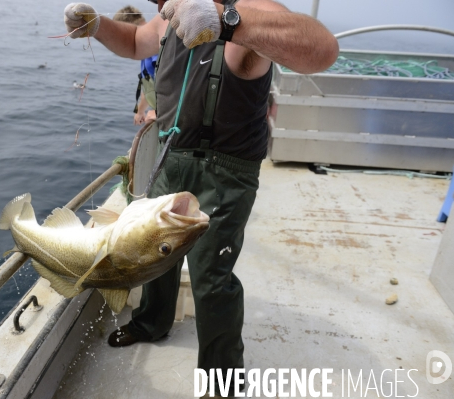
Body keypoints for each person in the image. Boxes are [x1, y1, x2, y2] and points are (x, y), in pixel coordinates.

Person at [63, 0, 338, 394]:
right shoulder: (171, 15)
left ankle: (223, 379)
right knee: (151, 253)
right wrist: (97, 25)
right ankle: (150, 322)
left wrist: (229, 22)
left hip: (225, 169)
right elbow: (136, 40)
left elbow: (322, 48)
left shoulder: (251, 9)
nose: (156, 4)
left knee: (211, 277)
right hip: (171, 156)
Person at [112, 5, 157, 126]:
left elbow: (180, 88)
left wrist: (159, 114)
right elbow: (150, 86)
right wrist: (140, 111)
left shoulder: (158, 49)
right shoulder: (146, 51)